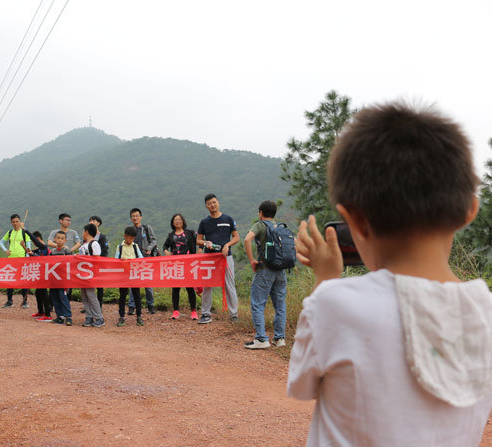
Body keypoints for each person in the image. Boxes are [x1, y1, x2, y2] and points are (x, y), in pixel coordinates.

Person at [288, 102, 492, 446]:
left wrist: (325, 281)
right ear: (469, 211)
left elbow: (302, 385)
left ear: (354, 220)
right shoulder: (485, 311)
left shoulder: (334, 304)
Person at [243, 200, 287, 349]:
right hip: (281, 271)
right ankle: (280, 339)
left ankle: (261, 339)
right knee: (280, 305)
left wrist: (252, 260)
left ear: (261, 213)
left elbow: (247, 239)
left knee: (258, 304)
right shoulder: (279, 227)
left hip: (265, 269)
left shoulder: (260, 225)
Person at [196, 194, 240, 324]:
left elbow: (236, 237)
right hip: (209, 257)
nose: (212, 205)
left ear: (218, 203)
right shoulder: (204, 222)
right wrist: (205, 243)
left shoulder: (228, 219)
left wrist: (227, 245)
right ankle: (205, 314)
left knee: (229, 284)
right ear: (206, 206)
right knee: (207, 285)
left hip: (226, 257)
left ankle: (234, 314)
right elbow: (198, 240)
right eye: (209, 203)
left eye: (214, 202)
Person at [163, 213, 198, 320]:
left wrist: (199, 253)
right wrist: (165, 251)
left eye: (179, 219)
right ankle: (176, 311)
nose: (177, 221)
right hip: (176, 265)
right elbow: (165, 245)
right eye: (175, 220)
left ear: (183, 221)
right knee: (176, 288)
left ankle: (193, 311)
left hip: (188, 264)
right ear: (173, 223)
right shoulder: (171, 235)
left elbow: (200, 241)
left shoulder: (190, 233)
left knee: (190, 288)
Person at [0, 214, 31, 308]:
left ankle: (25, 301)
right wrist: (5, 250)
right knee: (10, 280)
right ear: (11, 222)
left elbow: (29, 249)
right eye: (13, 222)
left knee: (23, 281)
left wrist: (27, 256)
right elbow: (0, 242)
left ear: (20, 222)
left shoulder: (25, 233)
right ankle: (9, 301)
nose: (15, 223)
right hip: (11, 259)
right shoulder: (9, 232)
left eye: (17, 221)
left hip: (22, 259)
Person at [128, 208, 157, 315]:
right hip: (133, 260)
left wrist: (149, 247)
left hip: (146, 259)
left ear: (141, 216)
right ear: (131, 218)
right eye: (133, 216)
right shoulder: (130, 230)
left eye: (137, 215)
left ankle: (151, 305)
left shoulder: (146, 228)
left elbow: (154, 240)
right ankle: (132, 306)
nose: (135, 218)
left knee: (148, 283)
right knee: (133, 284)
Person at [115, 226, 145, 327]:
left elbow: (141, 258)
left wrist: (134, 261)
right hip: (123, 275)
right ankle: (121, 317)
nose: (131, 240)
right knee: (123, 296)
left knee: (137, 295)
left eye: (133, 238)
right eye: (129, 238)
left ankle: (139, 316)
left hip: (134, 274)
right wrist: (121, 260)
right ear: (125, 236)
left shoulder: (135, 246)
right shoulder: (120, 247)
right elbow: (116, 260)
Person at [23, 228, 53, 322]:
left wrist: (26, 230)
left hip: (46, 274)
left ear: (38, 239)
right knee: (38, 293)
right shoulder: (39, 250)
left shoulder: (44, 247)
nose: (34, 242)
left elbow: (34, 240)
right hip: (39, 274)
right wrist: (23, 246)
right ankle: (40, 312)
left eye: (34, 240)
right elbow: (31, 253)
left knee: (44, 293)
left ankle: (48, 314)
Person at [78, 224, 104, 327]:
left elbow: (96, 260)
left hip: (90, 275)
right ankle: (89, 317)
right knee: (84, 296)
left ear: (86, 232)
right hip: (82, 275)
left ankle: (99, 317)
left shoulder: (94, 244)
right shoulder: (83, 245)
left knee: (91, 296)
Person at [49, 231, 73, 326]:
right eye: (58, 238)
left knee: (63, 297)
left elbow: (71, 263)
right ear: (54, 239)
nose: (59, 240)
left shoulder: (67, 251)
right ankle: (60, 316)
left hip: (63, 280)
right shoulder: (53, 252)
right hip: (54, 279)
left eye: (62, 238)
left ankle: (68, 317)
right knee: (55, 297)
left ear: (65, 240)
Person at [89, 215, 109, 310]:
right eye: (90, 220)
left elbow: (104, 252)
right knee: (89, 285)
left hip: (99, 265)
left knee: (99, 287)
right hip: (89, 266)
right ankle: (90, 305)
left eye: (93, 220)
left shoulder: (102, 237)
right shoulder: (88, 237)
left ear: (99, 223)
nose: (91, 222)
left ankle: (99, 306)